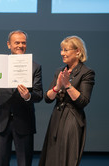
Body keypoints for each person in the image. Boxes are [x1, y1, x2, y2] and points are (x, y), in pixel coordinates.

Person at [0, 30, 43, 166]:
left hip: (24, 121)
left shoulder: (35, 67)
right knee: (1, 162)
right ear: (9, 45)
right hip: (1, 121)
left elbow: (39, 95)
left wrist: (28, 96)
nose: (20, 45)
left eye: (23, 43)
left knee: (24, 163)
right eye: (17, 42)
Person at [38, 36, 95, 166]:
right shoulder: (60, 71)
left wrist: (68, 85)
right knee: (51, 156)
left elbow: (83, 101)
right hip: (57, 117)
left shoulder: (87, 73)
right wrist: (58, 87)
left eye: (66, 50)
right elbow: (47, 98)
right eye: (61, 50)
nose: (62, 53)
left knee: (67, 157)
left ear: (78, 51)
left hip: (72, 118)